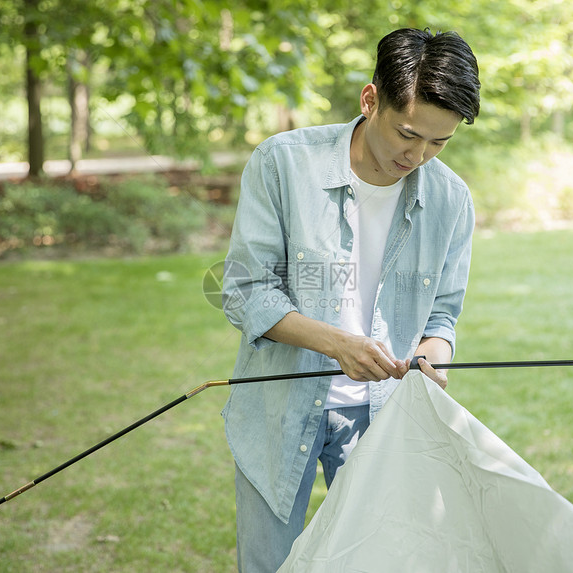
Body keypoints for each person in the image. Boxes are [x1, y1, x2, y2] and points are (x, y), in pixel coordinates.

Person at [221, 27, 481, 572]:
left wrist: (435, 356)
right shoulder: (282, 164)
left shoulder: (452, 200)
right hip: (277, 410)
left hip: (382, 420)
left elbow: (443, 313)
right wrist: (338, 343)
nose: (419, 155)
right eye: (408, 133)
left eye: (440, 142)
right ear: (370, 100)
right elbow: (246, 291)